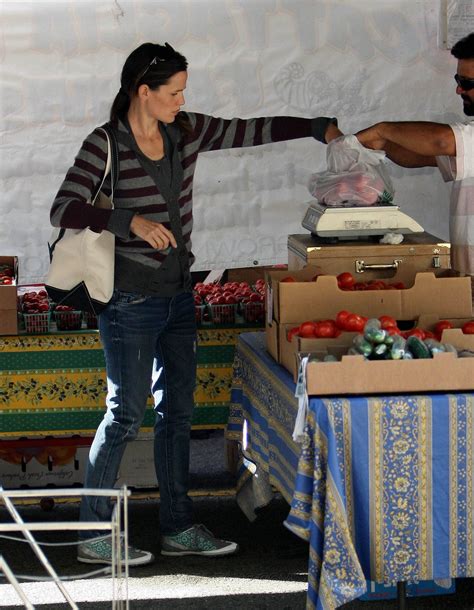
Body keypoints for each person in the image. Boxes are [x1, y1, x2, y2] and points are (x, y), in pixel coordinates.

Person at [50, 41, 333, 566]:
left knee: (178, 414)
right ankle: (92, 531)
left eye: (185, 91)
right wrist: (128, 221)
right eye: (174, 92)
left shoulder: (188, 131)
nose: (183, 100)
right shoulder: (105, 144)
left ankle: (178, 524)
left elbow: (250, 130)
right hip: (129, 299)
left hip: (180, 294)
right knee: (125, 413)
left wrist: (317, 126)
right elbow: (63, 208)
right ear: (143, 91)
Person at [322, 32, 474, 283]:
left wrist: (383, 130)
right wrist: (381, 145)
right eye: (458, 79)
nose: (458, 89)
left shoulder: (461, 139)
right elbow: (422, 155)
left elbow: (441, 141)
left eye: (467, 82)